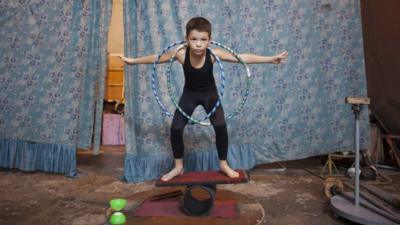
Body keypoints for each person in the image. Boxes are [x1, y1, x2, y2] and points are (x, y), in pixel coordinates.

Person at [118, 17, 288, 181]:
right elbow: (157, 58)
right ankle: (178, 166)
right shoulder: (181, 55)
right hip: (189, 95)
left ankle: (223, 164)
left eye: (203, 39)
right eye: (194, 39)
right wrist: (133, 61)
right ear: (186, 39)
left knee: (220, 126)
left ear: (209, 40)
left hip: (210, 95)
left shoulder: (213, 55)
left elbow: (242, 58)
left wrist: (270, 59)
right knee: (176, 128)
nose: (198, 44)